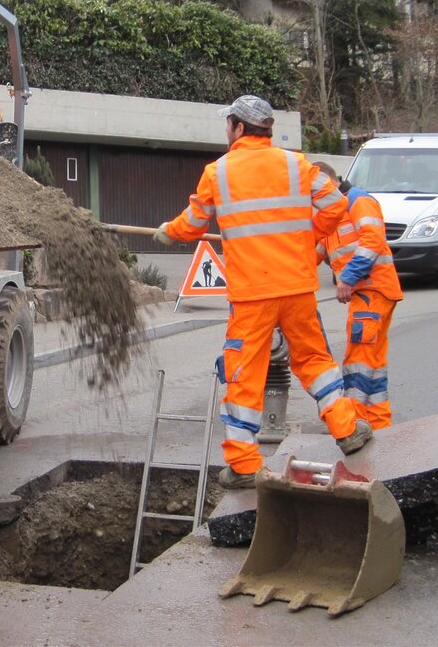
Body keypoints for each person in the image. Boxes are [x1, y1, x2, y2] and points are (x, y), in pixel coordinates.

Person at [154, 95, 373, 489]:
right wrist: (306, 238)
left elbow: (193, 223)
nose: (226, 131)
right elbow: (338, 206)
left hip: (253, 294)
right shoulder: (297, 165)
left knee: (244, 373)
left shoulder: (218, 172)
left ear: (239, 127)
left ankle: (243, 464)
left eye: (228, 125)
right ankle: (346, 428)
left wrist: (167, 232)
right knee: (314, 359)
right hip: (297, 287)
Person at [313, 162, 403, 430]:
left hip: (372, 291)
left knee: (358, 364)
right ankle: (378, 425)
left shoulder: (357, 201)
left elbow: (372, 241)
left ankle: (355, 426)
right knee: (372, 367)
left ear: (326, 182)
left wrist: (348, 279)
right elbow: (311, 253)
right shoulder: (334, 213)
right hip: (370, 294)